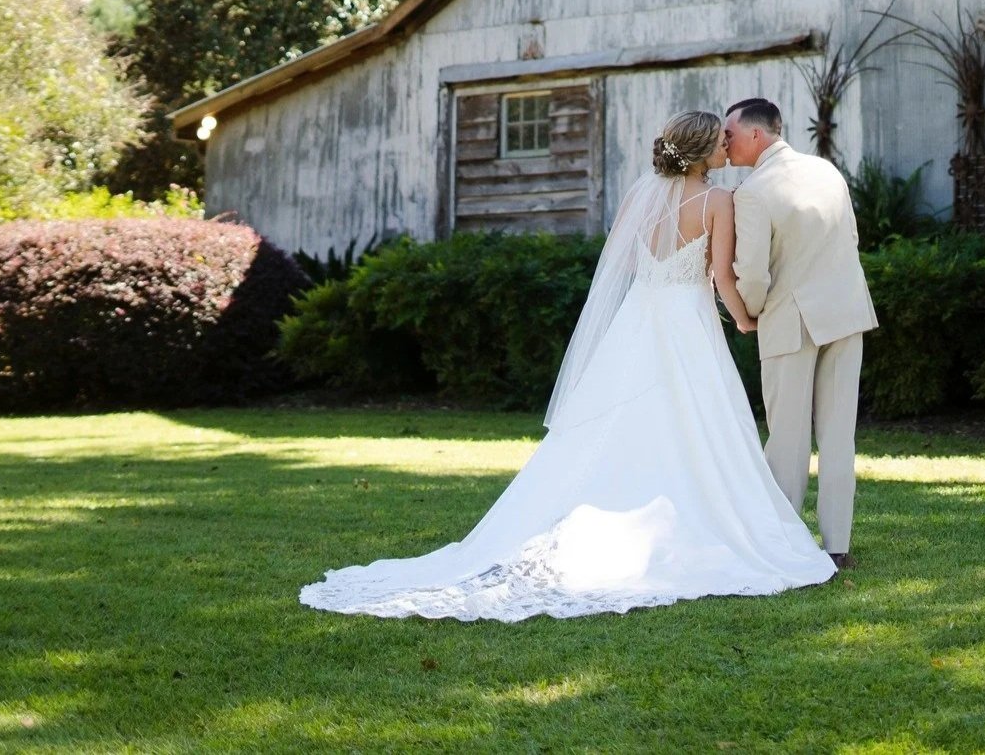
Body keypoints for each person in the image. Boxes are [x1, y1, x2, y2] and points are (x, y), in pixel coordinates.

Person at [300, 110, 835, 622]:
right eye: (720, 138)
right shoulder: (720, 199)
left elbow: (623, 266)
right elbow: (720, 277)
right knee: (696, 422)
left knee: (619, 421)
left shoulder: (638, 200)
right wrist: (744, 321)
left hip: (638, 322)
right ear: (701, 151)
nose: (727, 143)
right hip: (687, 325)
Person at [723, 98, 878, 570]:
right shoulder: (827, 172)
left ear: (755, 135)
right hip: (847, 312)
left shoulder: (752, 191)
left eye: (728, 133)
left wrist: (747, 315)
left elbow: (751, 274)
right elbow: (849, 239)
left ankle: (785, 543)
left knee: (787, 438)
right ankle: (837, 546)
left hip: (792, 320)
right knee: (838, 434)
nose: (723, 143)